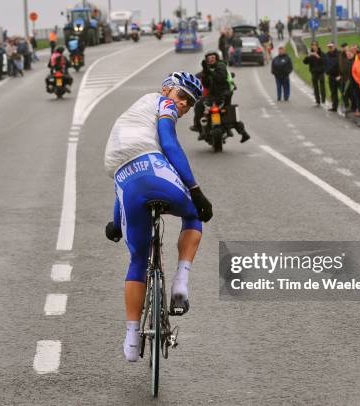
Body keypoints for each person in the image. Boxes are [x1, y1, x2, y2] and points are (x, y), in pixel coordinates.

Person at [103, 71, 212, 362]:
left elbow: (121, 184)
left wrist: (116, 222)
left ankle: (131, 338)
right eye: (181, 97)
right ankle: (180, 281)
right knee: (194, 214)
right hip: (152, 170)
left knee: (138, 259)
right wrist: (196, 190)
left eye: (189, 104)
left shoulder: (129, 117)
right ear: (166, 90)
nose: (183, 106)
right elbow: (170, 145)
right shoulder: (162, 103)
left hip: (125, 183)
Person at [192, 51, 250, 142]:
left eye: (212, 57)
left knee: (229, 112)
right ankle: (200, 129)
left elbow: (221, 78)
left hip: (224, 94)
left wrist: (209, 72)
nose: (211, 59)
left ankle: (240, 132)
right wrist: (205, 73)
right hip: (213, 94)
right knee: (199, 106)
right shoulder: (208, 69)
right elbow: (206, 84)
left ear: (216, 58)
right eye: (209, 58)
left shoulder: (221, 65)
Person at [303, 41, 326, 106]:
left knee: (322, 85)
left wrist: (318, 56)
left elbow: (324, 62)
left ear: (318, 46)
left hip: (321, 72)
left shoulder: (322, 53)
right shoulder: (310, 54)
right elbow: (305, 62)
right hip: (314, 72)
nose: (314, 46)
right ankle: (317, 101)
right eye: (313, 45)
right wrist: (308, 56)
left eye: (315, 45)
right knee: (315, 87)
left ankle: (323, 100)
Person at [324, 42, 340, 111]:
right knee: (333, 92)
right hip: (331, 76)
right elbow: (324, 63)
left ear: (334, 46)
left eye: (331, 46)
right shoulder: (327, 54)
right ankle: (334, 106)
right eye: (329, 47)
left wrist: (340, 75)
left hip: (339, 76)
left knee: (344, 92)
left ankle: (348, 106)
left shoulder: (339, 54)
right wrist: (326, 71)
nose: (330, 48)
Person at [338, 43, 352, 111]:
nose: (344, 49)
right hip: (342, 77)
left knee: (350, 92)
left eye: (345, 47)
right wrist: (339, 75)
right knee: (343, 92)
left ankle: (353, 106)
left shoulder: (349, 54)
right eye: (342, 47)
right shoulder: (340, 55)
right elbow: (340, 65)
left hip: (349, 77)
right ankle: (346, 105)